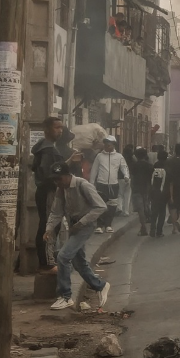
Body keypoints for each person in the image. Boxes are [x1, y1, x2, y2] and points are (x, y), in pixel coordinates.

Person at [43, 162, 111, 311]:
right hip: (73, 225)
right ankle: (100, 285)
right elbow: (56, 212)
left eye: (59, 179)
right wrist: (49, 229)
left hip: (85, 225)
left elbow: (100, 207)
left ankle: (65, 296)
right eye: (54, 180)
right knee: (78, 262)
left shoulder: (83, 185)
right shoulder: (61, 189)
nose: (57, 182)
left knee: (63, 256)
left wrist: (82, 222)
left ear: (68, 176)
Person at [32, 118, 70, 272]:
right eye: (56, 127)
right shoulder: (48, 150)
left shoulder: (44, 147)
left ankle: (47, 261)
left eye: (61, 127)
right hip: (48, 192)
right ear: (47, 129)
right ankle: (47, 263)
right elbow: (48, 174)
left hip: (46, 191)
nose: (60, 130)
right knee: (49, 226)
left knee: (48, 224)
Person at [89, 135, 128, 233]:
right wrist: (91, 183)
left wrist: (126, 176)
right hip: (101, 184)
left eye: (109, 145)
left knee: (112, 205)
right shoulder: (99, 156)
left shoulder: (119, 157)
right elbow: (94, 169)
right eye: (106, 145)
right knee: (100, 205)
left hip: (114, 184)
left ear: (114, 145)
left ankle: (108, 225)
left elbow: (124, 167)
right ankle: (99, 225)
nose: (107, 147)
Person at [129, 147, 153, 236]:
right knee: (146, 206)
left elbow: (132, 177)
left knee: (140, 209)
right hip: (147, 188)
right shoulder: (150, 165)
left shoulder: (133, 165)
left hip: (137, 189)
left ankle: (143, 227)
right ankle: (150, 223)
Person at [148, 150, 170, 237]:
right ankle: (159, 231)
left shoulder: (154, 166)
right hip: (163, 192)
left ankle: (152, 229)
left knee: (154, 212)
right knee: (162, 212)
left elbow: (150, 180)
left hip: (154, 191)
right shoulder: (167, 166)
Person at [119, 144, 135, 216]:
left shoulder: (120, 159)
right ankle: (126, 211)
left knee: (120, 194)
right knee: (127, 195)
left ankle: (119, 208)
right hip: (129, 178)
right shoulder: (133, 160)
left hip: (120, 178)